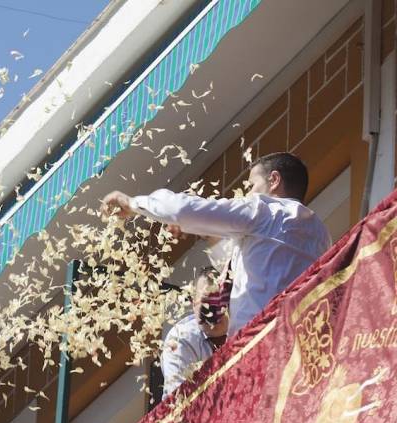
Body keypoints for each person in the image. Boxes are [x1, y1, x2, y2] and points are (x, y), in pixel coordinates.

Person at [102, 152, 331, 336]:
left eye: (252, 185)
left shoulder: (265, 210)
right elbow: (253, 267)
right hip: (304, 338)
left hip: (260, 341)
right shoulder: (320, 235)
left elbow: (181, 209)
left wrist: (133, 203)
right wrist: (201, 231)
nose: (249, 193)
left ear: (273, 180)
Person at [161, 267, 228, 398]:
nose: (211, 313)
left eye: (218, 302)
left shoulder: (246, 321)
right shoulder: (180, 339)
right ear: (193, 304)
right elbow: (178, 399)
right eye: (205, 303)